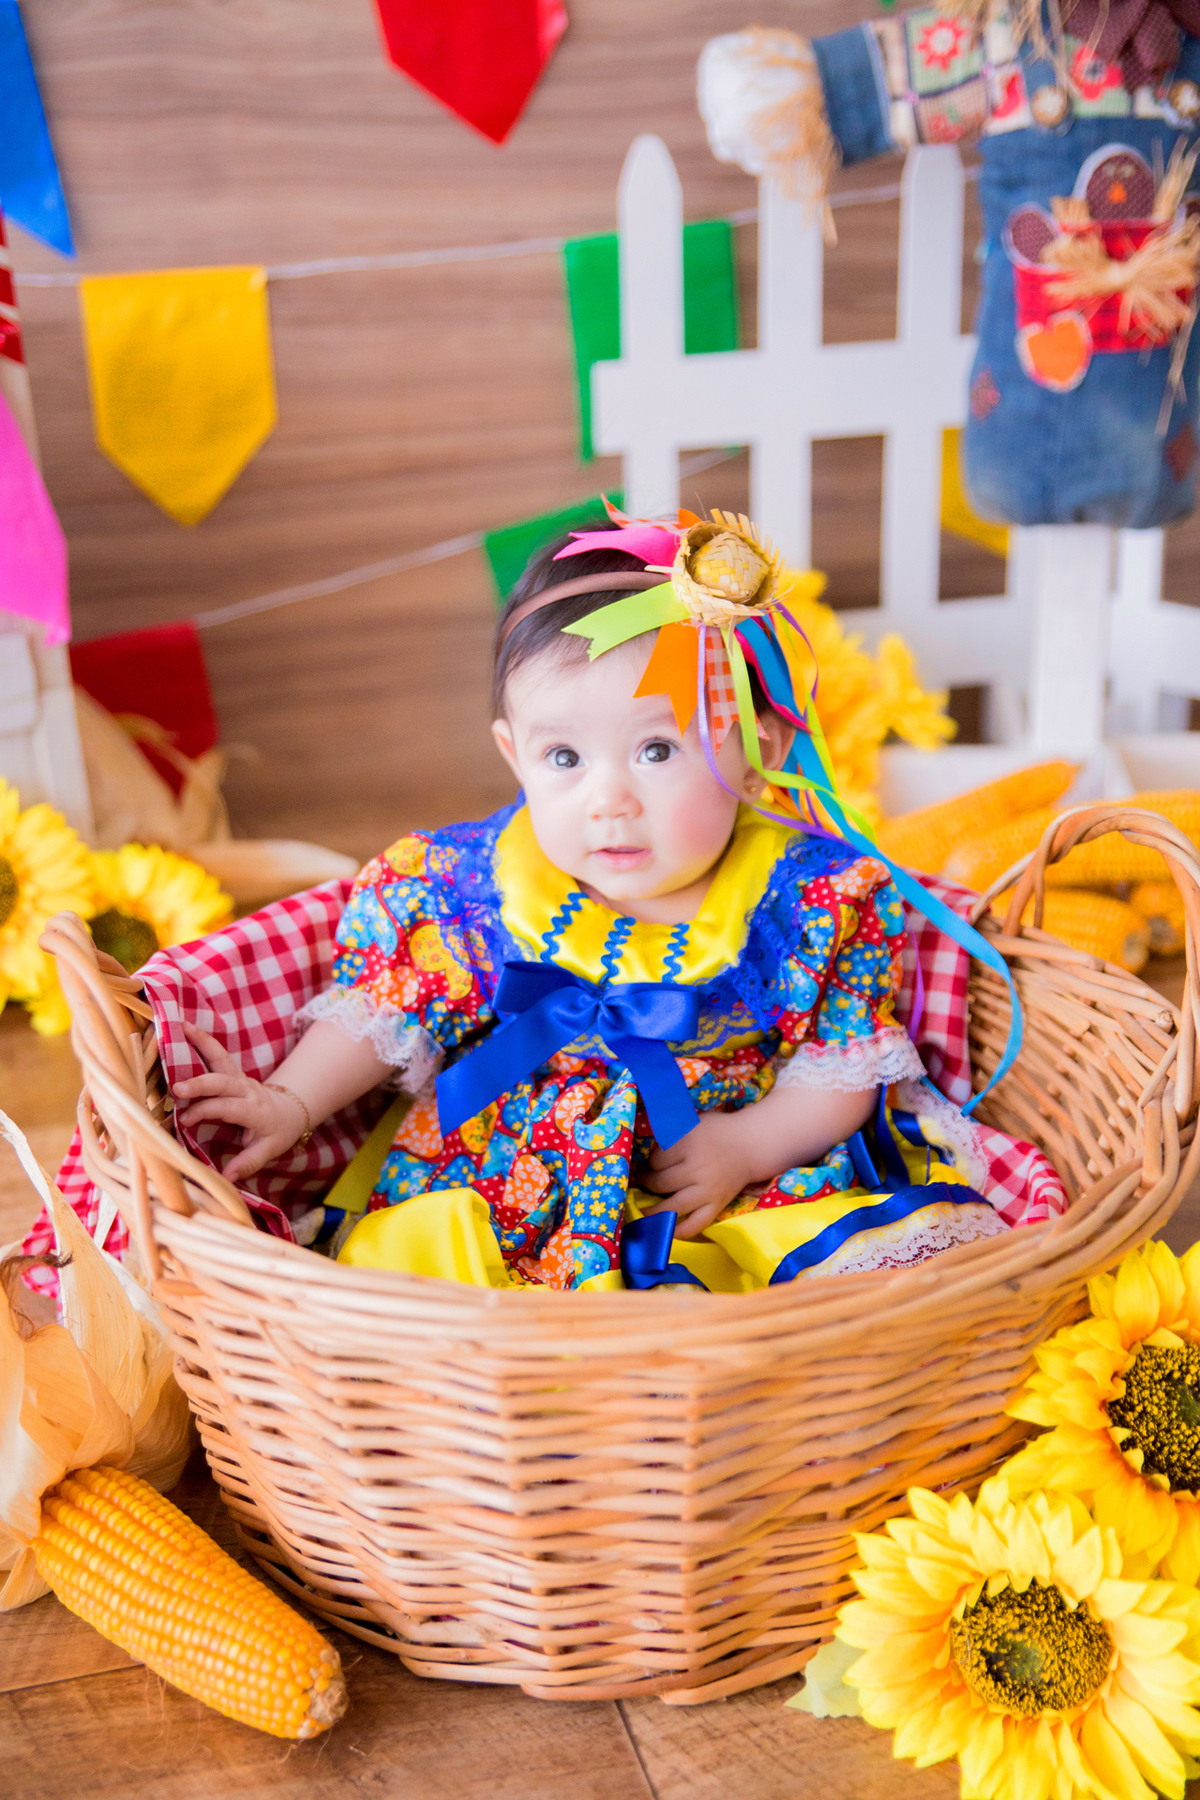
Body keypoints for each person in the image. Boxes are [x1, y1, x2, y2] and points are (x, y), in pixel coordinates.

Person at [171, 507, 1051, 1291]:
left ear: (756, 743)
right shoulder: (469, 885)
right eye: (565, 759)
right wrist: (290, 1102)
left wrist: (747, 1145)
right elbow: (385, 1007)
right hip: (507, 1176)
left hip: (705, 1170)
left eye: (657, 751)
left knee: (811, 1269)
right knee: (426, 1270)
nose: (609, 799)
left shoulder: (808, 899)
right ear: (514, 756)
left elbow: (841, 1066)